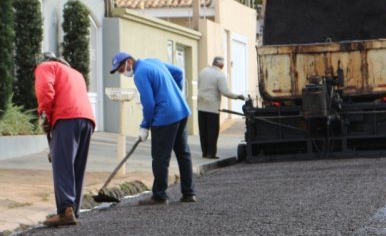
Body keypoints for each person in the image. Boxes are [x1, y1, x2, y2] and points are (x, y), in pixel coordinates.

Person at [110, 51, 195, 205]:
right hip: (181, 110)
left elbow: (149, 104)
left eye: (122, 69)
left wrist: (144, 126)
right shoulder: (154, 61)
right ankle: (189, 193)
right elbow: (178, 72)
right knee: (183, 154)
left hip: (165, 116)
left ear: (129, 61)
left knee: (160, 158)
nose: (122, 73)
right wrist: (175, 93)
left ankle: (160, 195)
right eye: (119, 72)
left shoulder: (140, 74)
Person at [34, 53, 96, 226]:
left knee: (62, 164)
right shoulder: (75, 73)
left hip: (67, 117)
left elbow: (44, 89)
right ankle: (73, 209)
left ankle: (65, 210)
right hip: (87, 120)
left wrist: (45, 115)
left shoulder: (45, 67)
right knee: (77, 165)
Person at [197, 55, 245, 158]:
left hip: (201, 105)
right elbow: (225, 91)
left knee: (203, 130)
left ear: (213, 62)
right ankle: (211, 153)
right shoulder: (220, 75)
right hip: (212, 106)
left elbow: (199, 86)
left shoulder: (203, 71)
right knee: (212, 131)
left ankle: (204, 152)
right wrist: (238, 96)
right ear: (222, 65)